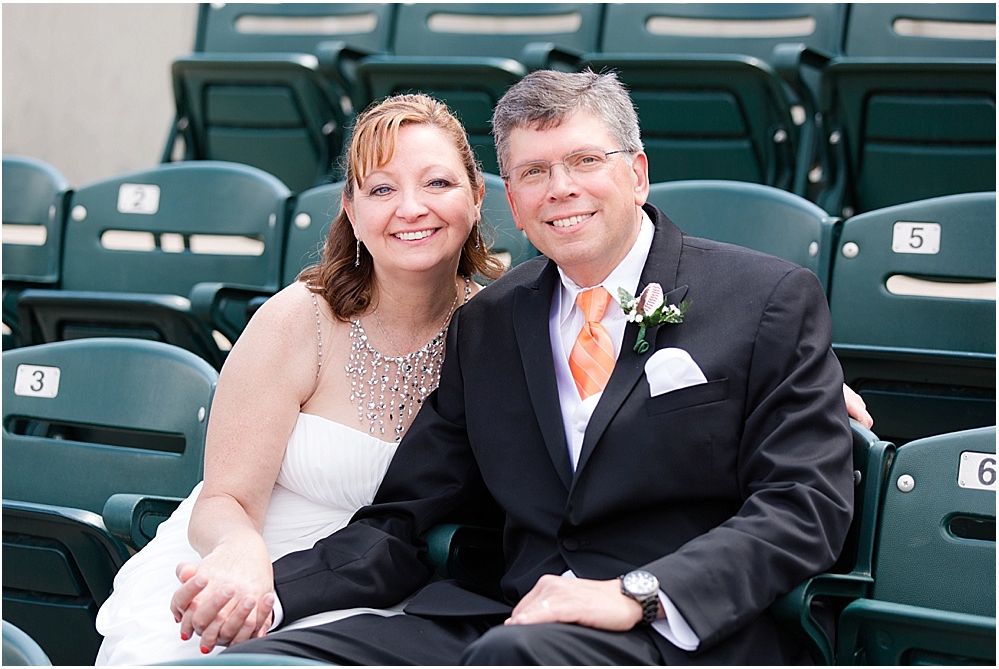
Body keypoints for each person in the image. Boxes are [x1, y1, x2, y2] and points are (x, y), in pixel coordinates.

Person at [172, 68, 860, 665]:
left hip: (675, 632)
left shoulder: (766, 299)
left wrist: (637, 593)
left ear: (638, 170)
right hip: (504, 618)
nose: (560, 188)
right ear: (514, 207)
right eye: (533, 171)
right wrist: (264, 595)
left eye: (585, 160)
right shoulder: (491, 323)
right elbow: (400, 524)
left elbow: (805, 506)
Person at [93, 93, 504, 664]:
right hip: (246, 560)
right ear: (352, 210)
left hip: (379, 591)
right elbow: (225, 499)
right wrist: (240, 556)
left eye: (438, 184)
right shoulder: (298, 319)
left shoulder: (496, 332)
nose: (412, 208)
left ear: (477, 197)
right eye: (382, 189)